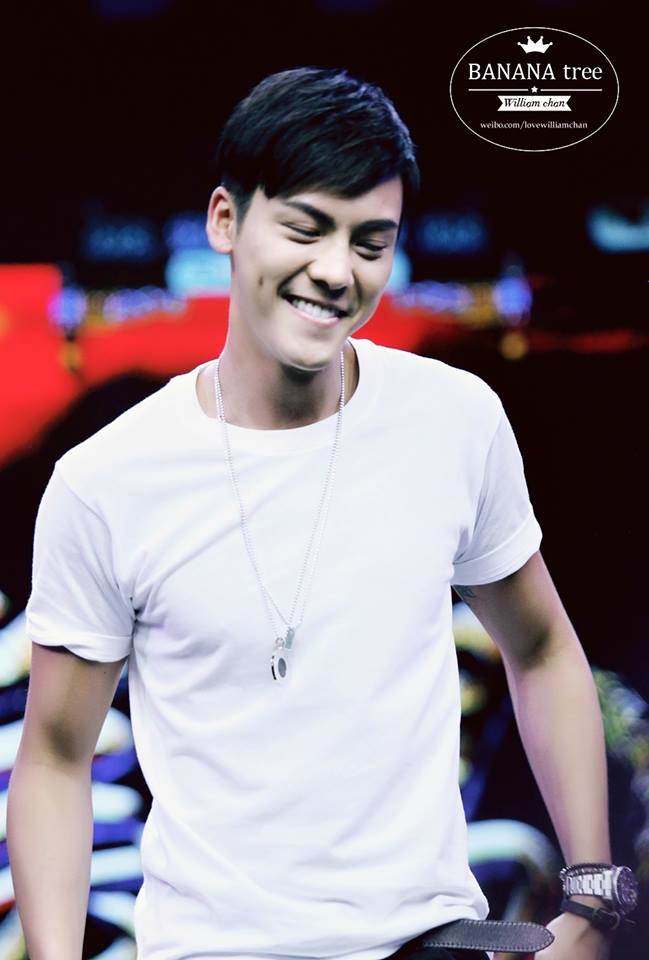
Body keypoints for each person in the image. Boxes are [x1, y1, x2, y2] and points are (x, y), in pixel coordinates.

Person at [7, 67, 636, 960]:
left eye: (369, 242)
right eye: (305, 229)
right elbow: (55, 760)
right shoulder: (105, 481)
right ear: (225, 221)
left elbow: (540, 650)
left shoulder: (453, 420)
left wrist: (592, 894)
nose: (336, 271)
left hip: (433, 941)